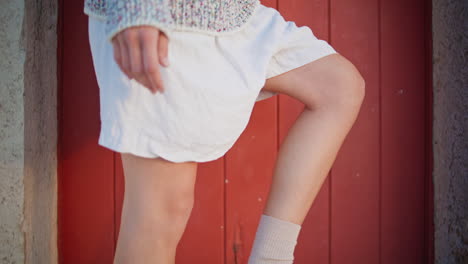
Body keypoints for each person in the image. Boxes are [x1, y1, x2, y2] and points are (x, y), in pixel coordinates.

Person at [85, 0, 365, 263]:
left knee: (338, 87)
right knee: (161, 214)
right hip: (165, 20)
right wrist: (137, 9)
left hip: (233, 14)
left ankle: (272, 258)